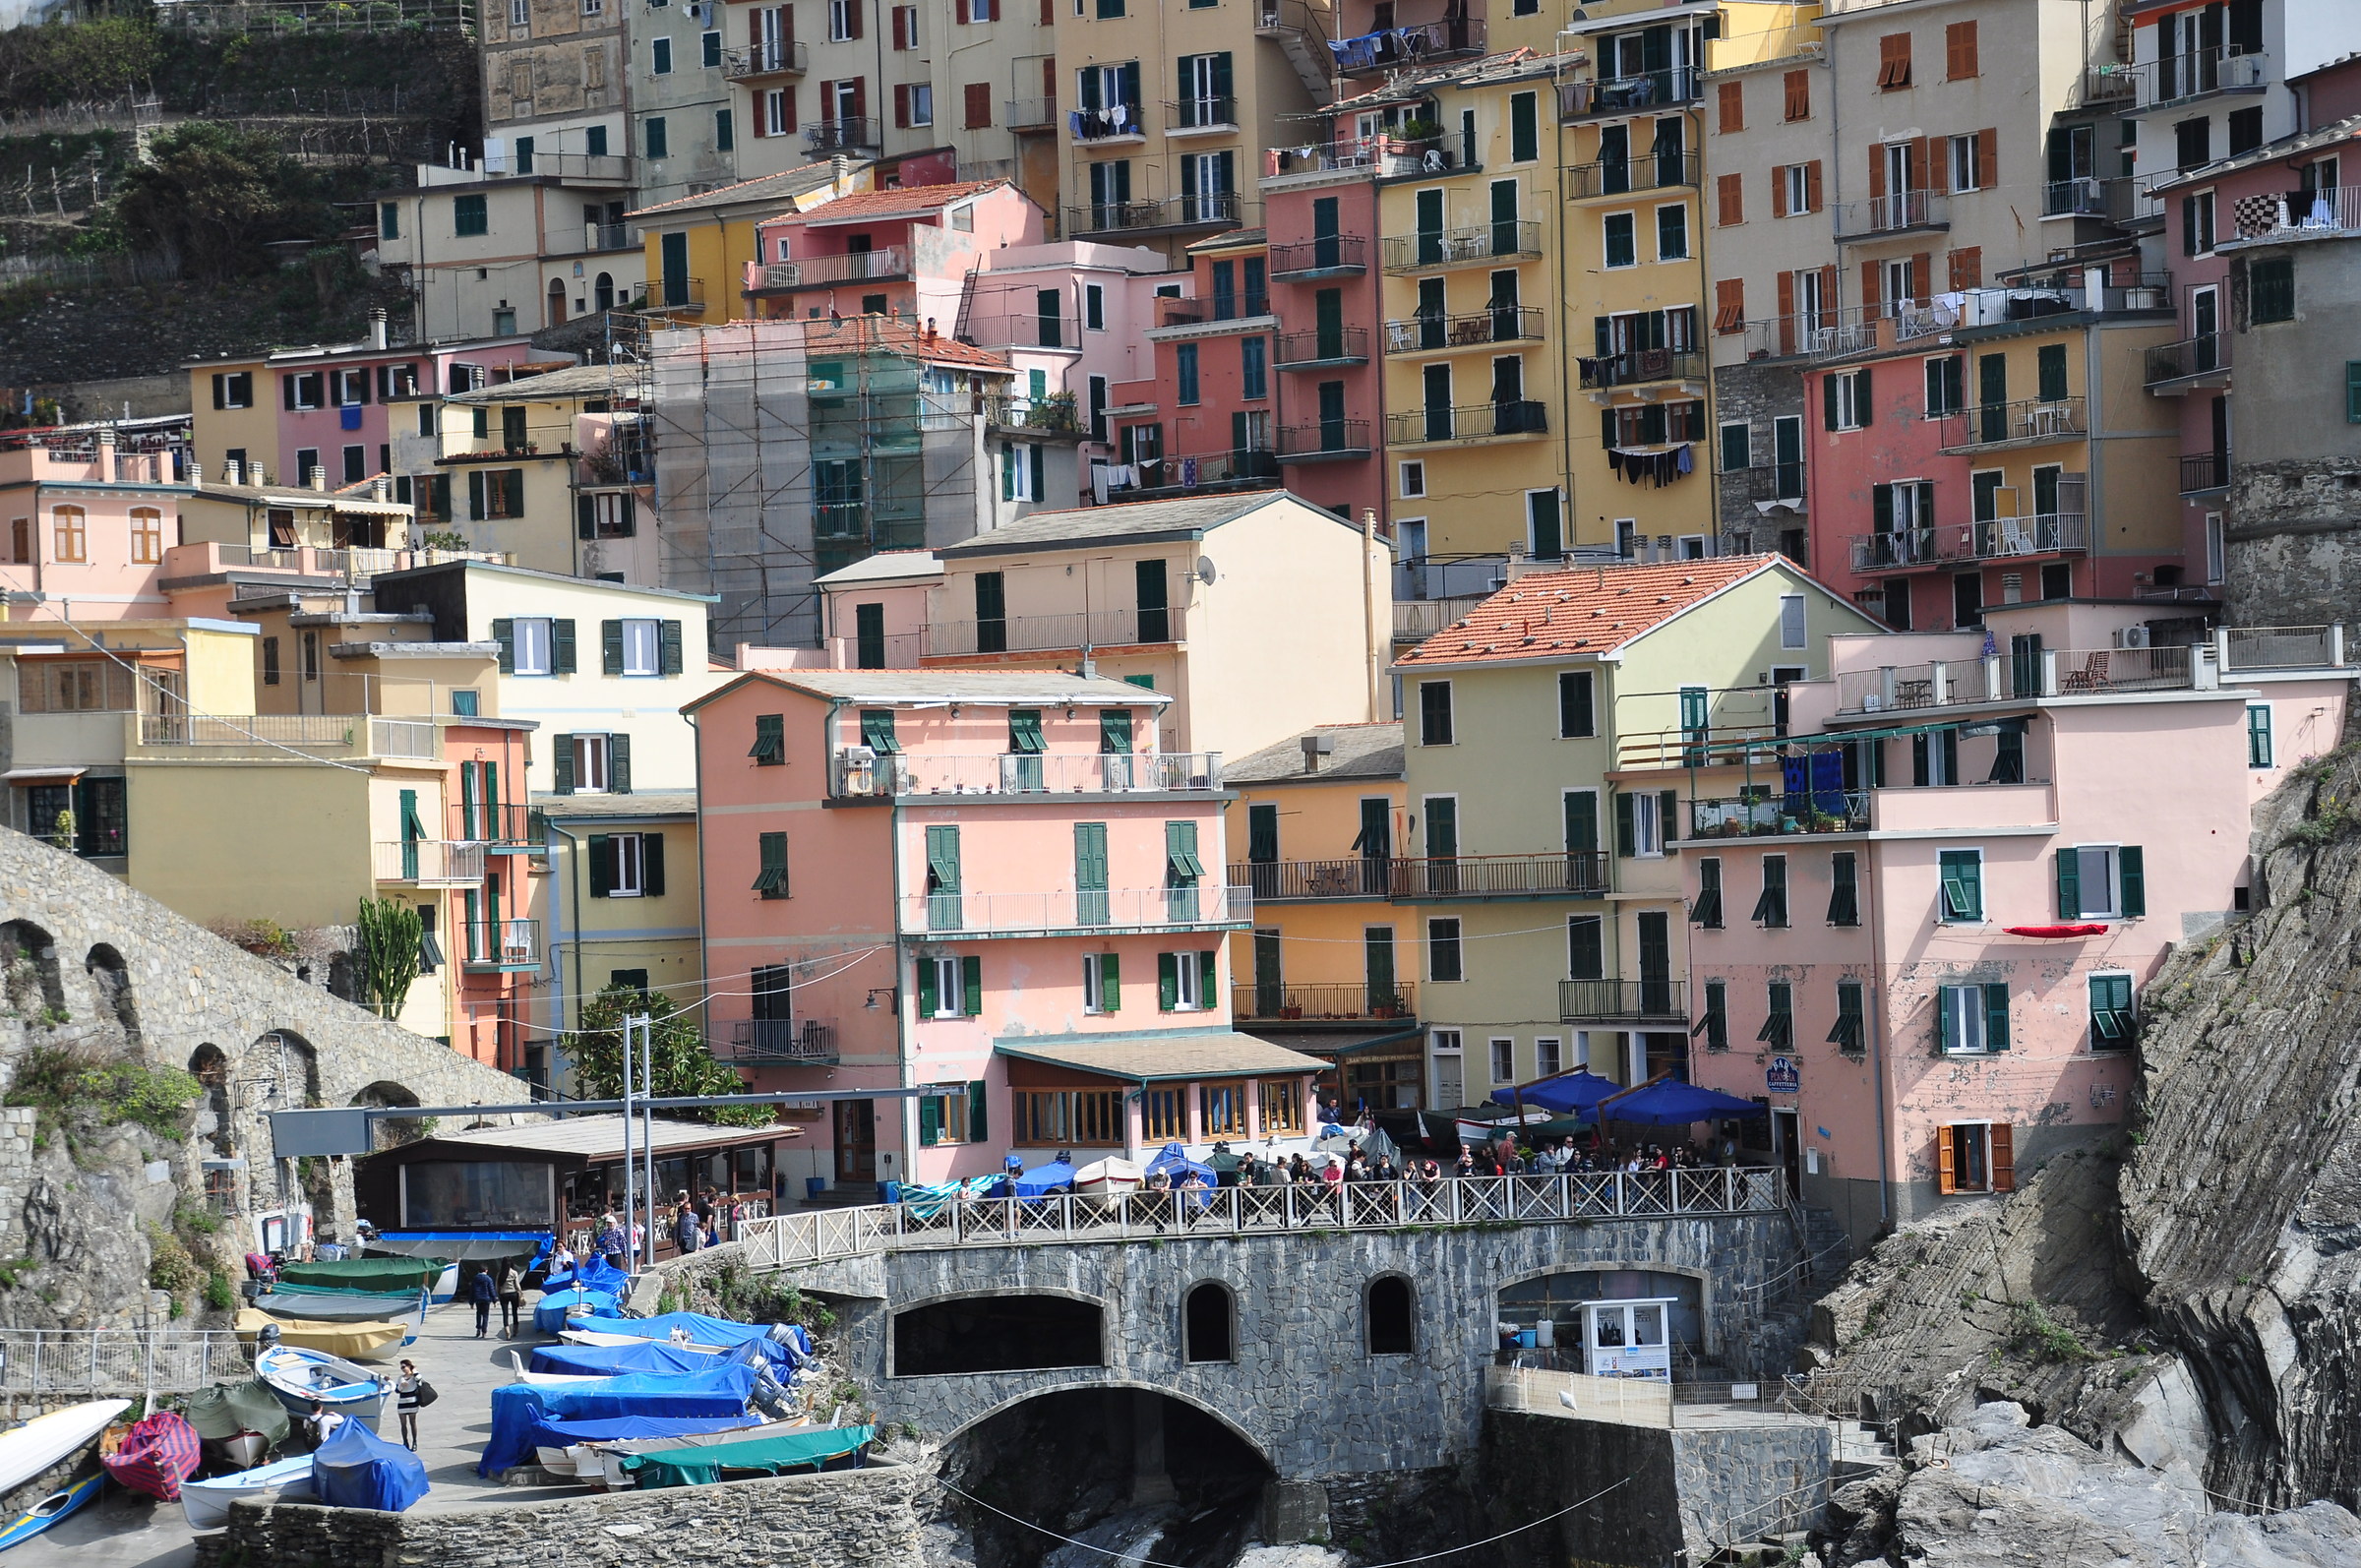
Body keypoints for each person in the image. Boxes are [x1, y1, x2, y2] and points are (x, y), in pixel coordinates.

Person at [394, 1360, 422, 1450]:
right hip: (402, 1402)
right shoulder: (400, 1377)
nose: (403, 1369)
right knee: (403, 1424)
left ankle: (414, 1442)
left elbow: (419, 1380)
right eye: (401, 1367)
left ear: (409, 1366)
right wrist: (401, 1386)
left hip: (412, 1402)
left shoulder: (415, 1376)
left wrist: (414, 1370)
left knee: (412, 1422)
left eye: (404, 1366)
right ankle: (405, 1442)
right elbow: (397, 1391)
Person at [467, 1263, 497, 1338]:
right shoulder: (488, 1279)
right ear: (486, 1270)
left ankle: (478, 1328)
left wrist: (471, 1302)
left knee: (479, 1314)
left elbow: (472, 1291)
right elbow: (491, 1290)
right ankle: (484, 1331)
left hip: (478, 1299)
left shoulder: (475, 1278)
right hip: (486, 1299)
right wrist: (494, 1300)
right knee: (485, 1315)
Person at [498, 1261, 523, 1336]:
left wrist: (498, 1293)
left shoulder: (500, 1273)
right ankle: (515, 1330)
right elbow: (517, 1285)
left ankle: (507, 1332)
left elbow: (497, 1285)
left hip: (503, 1294)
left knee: (505, 1314)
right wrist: (520, 1292)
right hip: (513, 1293)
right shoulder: (514, 1272)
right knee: (514, 1312)